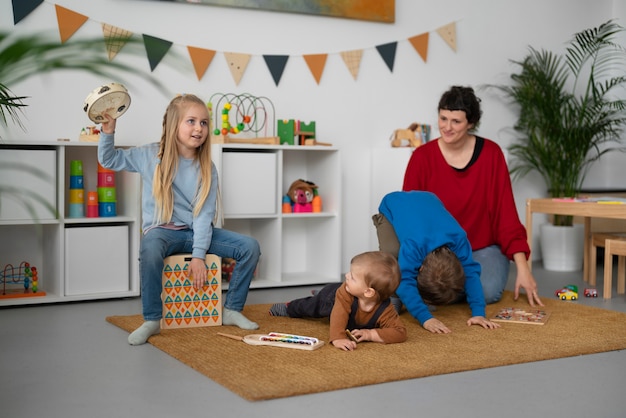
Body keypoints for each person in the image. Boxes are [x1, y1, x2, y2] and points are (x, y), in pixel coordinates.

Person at [98, 94, 260, 346]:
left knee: (249, 247)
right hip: (162, 231)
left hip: (196, 232)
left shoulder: (207, 167)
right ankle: (152, 318)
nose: (199, 128)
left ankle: (231, 309)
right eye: (192, 121)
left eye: (204, 123)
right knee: (150, 247)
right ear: (174, 124)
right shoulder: (149, 155)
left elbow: (205, 215)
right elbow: (109, 160)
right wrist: (108, 132)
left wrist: (198, 255)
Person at [402, 85, 543, 307]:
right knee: (430, 292)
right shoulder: (422, 157)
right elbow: (409, 216)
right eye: (443, 118)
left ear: (471, 123)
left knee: (487, 292)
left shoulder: (492, 155)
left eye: (456, 121)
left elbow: (506, 215)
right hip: (437, 251)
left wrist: (523, 269)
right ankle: (455, 288)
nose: (447, 127)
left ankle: (452, 289)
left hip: (482, 249)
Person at [375, 190, 500, 334]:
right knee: (393, 257)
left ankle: (413, 297)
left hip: (428, 199)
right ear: (420, 268)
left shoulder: (459, 238)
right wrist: (425, 317)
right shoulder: (414, 246)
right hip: (392, 205)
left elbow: (471, 272)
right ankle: (394, 297)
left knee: (404, 261)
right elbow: (404, 280)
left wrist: (479, 313)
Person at [269, 251, 407, 351]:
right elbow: (339, 314)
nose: (346, 275)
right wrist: (338, 337)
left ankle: (318, 292)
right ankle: (289, 307)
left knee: (389, 311)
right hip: (331, 297)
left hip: (351, 298)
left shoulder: (386, 308)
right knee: (313, 306)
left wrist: (370, 334)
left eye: (352, 277)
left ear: (368, 292)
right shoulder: (346, 291)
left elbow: (400, 333)